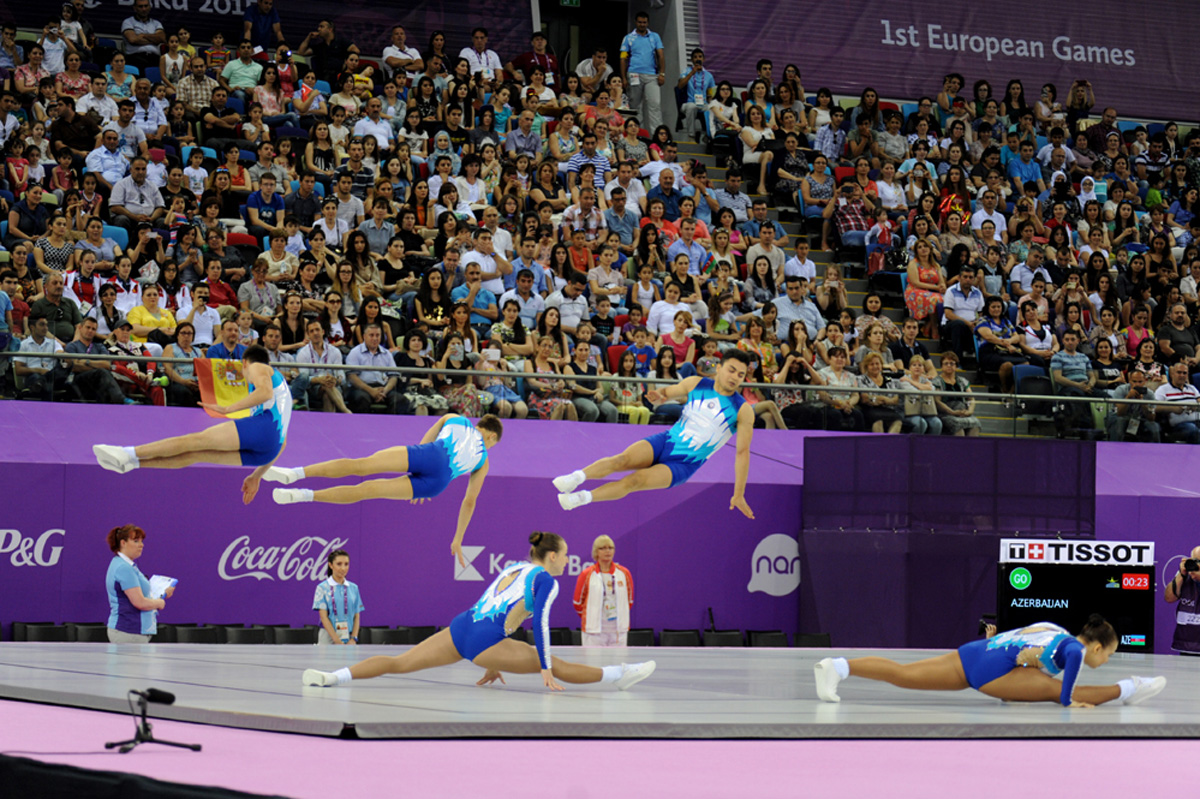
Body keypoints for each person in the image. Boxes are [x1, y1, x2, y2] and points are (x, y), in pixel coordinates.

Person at [302, 532, 656, 692]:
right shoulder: (548, 581)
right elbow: (541, 627)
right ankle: (619, 675)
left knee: (399, 662)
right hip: (483, 639)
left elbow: (503, 616)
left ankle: (334, 677)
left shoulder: (513, 569)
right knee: (558, 664)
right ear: (551, 558)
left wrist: (494, 660)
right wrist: (545, 670)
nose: (567, 559)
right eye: (564, 555)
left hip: (461, 628)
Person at [269, 414, 502, 567]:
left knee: (360, 465)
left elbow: (429, 436)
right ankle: (303, 496)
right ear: (491, 436)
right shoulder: (484, 460)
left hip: (431, 454)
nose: (490, 446)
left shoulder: (456, 419)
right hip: (435, 484)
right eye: (493, 443)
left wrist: (418, 461)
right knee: (367, 490)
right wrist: (457, 539)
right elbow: (469, 502)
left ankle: (295, 474)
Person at [554, 350, 757, 516]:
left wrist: (738, 494)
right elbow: (667, 393)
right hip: (666, 441)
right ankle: (576, 477)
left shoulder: (743, 410)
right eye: (731, 370)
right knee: (621, 460)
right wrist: (658, 397)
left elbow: (742, 453)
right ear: (719, 367)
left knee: (634, 481)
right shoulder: (696, 383)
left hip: (683, 464)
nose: (735, 377)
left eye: (740, 374)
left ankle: (580, 499)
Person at [814, 615, 1165, 707]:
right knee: (1074, 694)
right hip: (990, 672)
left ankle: (839, 666)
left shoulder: (1052, 628)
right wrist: (1067, 700)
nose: (1106, 660)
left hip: (978, 652)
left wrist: (1024, 661)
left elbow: (1019, 636)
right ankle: (1129, 689)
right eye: (1110, 655)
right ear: (1097, 648)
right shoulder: (1074, 650)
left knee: (903, 674)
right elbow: (1068, 685)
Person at [92, 345, 291, 504]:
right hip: (269, 450)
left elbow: (265, 392)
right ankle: (132, 464)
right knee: (195, 454)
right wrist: (257, 476)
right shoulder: (283, 394)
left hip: (265, 429)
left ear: (244, 363)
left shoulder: (258, 367)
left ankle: (128, 453)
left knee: (195, 440)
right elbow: (282, 443)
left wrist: (228, 409)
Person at [105, 523, 173, 644]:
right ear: (123, 543)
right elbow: (139, 602)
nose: (141, 545)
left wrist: (163, 593)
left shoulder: (126, 565)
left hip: (131, 632)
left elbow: (143, 594)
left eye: (141, 541)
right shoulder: (124, 568)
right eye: (136, 541)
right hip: (128, 632)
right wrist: (159, 603)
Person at [574, 535, 634, 646]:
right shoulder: (586, 574)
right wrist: (591, 616)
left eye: (610, 548)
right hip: (593, 631)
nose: (607, 551)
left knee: (618, 663)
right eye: (603, 548)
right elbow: (578, 603)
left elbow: (629, 601)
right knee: (592, 663)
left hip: (618, 630)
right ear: (596, 551)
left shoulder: (624, 573)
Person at [314, 548, 364, 647]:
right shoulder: (322, 588)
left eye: (346, 564)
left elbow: (357, 616)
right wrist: (337, 641)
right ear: (330, 565)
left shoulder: (353, 588)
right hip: (327, 638)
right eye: (339, 564)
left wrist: (353, 638)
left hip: (349, 637)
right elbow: (323, 617)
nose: (343, 568)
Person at [1165, 545, 1200, 655]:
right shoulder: (1185, 576)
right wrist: (1181, 574)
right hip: (1186, 645)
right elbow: (1169, 598)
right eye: (1193, 561)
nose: (1195, 565)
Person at [1154, 362, 1200, 444]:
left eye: (1184, 373)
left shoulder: (1192, 388)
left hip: (1197, 421)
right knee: (1194, 430)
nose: (1182, 375)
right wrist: (1173, 408)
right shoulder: (1163, 389)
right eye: (1179, 372)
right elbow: (1154, 406)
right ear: (1172, 374)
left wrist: (1196, 406)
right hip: (1179, 426)